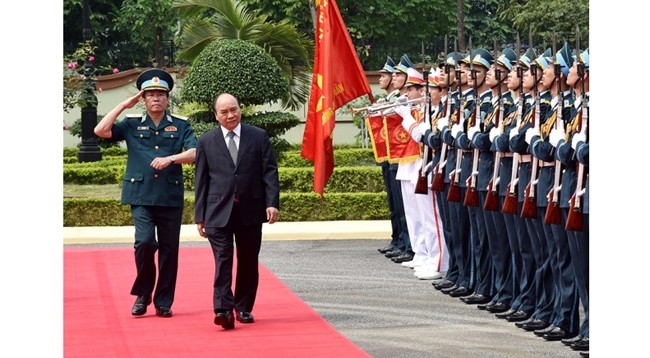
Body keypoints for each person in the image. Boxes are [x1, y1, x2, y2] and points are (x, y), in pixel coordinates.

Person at [94, 68, 197, 318]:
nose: (155, 99)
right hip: (140, 195)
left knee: (169, 251)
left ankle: (164, 302)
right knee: (145, 242)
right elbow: (100, 131)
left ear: (167, 98)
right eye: (150, 94)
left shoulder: (181, 125)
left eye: (160, 94)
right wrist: (122, 104)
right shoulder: (130, 123)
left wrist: (171, 158)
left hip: (169, 197)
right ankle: (143, 293)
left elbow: (196, 153)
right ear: (142, 99)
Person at [194, 93, 280, 330]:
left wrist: (272, 203)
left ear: (240, 110)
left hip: (251, 209)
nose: (230, 115)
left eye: (234, 110)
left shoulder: (258, 136)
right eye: (224, 112)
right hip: (216, 211)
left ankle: (243, 307)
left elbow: (269, 172)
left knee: (248, 260)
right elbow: (201, 180)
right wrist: (199, 215)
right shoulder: (206, 141)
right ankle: (223, 309)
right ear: (215, 115)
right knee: (223, 259)